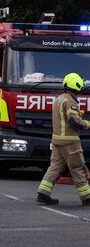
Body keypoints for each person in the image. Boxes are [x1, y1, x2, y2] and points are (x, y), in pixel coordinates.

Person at [37, 73, 90, 206]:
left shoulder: (59, 99)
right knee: (77, 168)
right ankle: (87, 197)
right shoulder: (71, 101)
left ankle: (43, 194)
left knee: (54, 167)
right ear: (76, 85)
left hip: (56, 140)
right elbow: (74, 121)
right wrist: (87, 124)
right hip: (70, 141)